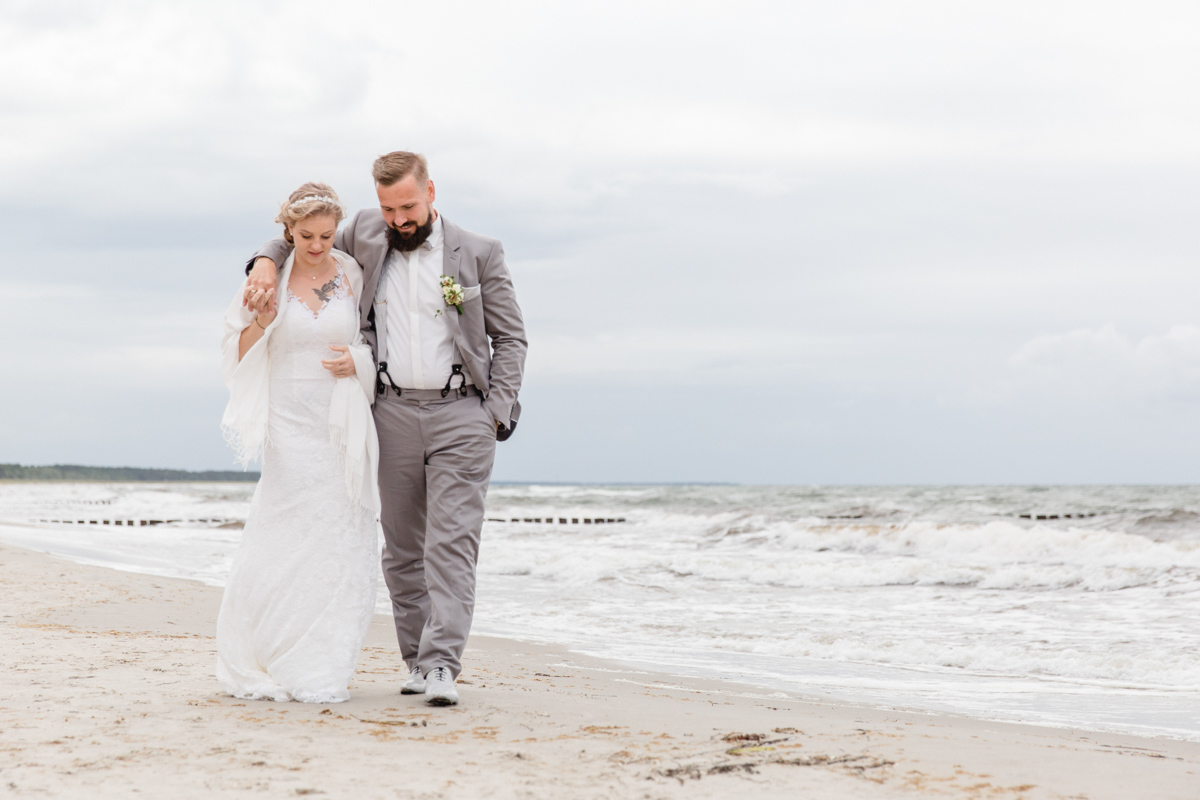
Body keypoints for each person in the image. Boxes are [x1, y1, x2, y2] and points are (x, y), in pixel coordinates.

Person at [243, 152, 527, 706]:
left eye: (408, 206)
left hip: (462, 413)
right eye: (388, 207)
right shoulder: (367, 234)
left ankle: (444, 663)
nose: (399, 219)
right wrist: (264, 260)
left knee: (451, 543)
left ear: (431, 192)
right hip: (390, 412)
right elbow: (305, 235)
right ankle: (416, 659)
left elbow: (512, 337)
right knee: (401, 548)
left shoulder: (481, 252)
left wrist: (497, 409)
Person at [218, 184, 380, 703]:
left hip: (340, 420)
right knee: (282, 534)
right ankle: (267, 649)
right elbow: (237, 352)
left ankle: (321, 659)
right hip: (288, 425)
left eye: (327, 235)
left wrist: (360, 364)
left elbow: (372, 340)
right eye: (305, 235)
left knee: (339, 536)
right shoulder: (267, 277)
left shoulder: (352, 273)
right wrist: (262, 321)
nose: (317, 245)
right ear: (286, 232)